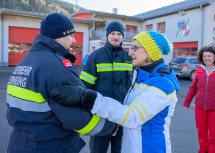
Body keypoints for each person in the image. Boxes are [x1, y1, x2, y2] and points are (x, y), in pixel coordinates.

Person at [51, 31, 180, 153]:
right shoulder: (141, 77)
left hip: (148, 149)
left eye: (135, 48)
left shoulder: (163, 84)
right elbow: (127, 107)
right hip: (132, 146)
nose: (130, 53)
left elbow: (132, 116)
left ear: (151, 52)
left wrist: (89, 99)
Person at [6, 13, 117, 153]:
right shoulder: (55, 66)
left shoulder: (24, 63)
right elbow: (78, 119)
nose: (74, 40)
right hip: (49, 145)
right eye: (71, 35)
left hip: (19, 142)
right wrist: (110, 127)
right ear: (60, 35)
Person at [79, 20, 132, 153]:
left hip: (122, 116)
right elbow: (84, 86)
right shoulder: (95, 56)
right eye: (113, 33)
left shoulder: (129, 57)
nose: (116, 37)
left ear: (122, 37)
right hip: (101, 115)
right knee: (98, 149)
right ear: (107, 35)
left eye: (119, 34)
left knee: (119, 149)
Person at [183, 43, 215, 153]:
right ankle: (203, 150)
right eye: (204, 56)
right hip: (200, 107)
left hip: (214, 109)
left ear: (214, 57)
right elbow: (193, 87)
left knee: (213, 135)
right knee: (201, 133)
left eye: (209, 56)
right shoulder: (199, 70)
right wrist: (187, 102)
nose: (207, 58)